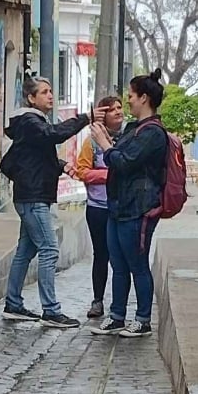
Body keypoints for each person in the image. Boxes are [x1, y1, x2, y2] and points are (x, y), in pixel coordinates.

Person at [1, 75, 90, 328]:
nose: (50, 96)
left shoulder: (29, 123)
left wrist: (61, 165)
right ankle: (50, 310)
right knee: (49, 249)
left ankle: (13, 304)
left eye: (51, 91)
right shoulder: (30, 121)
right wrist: (84, 119)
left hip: (31, 194)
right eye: (44, 92)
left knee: (26, 250)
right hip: (33, 197)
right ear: (31, 98)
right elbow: (53, 135)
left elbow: (33, 156)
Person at [90, 69, 169, 339]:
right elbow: (120, 154)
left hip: (139, 208)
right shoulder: (133, 129)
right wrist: (104, 136)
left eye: (132, 96)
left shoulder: (153, 133)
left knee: (137, 264)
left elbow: (123, 162)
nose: (129, 101)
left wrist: (104, 146)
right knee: (118, 265)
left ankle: (143, 319)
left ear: (144, 98)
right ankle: (117, 316)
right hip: (118, 205)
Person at [73, 95, 125, 319]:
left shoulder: (128, 139)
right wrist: (110, 174)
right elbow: (82, 171)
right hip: (98, 208)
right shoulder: (91, 143)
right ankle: (98, 300)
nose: (119, 112)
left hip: (123, 208)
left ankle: (119, 305)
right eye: (113, 109)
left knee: (121, 258)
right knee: (101, 254)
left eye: (120, 108)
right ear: (103, 115)